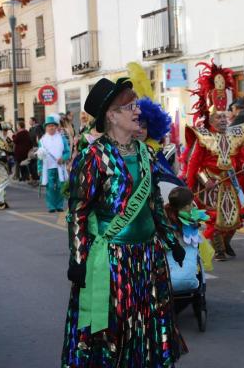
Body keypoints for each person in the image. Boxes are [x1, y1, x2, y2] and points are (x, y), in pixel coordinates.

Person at [62, 77, 185, 367]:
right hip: (113, 261)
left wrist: (170, 240)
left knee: (148, 322)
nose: (137, 111)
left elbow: (153, 203)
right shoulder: (93, 157)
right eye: (129, 106)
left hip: (147, 257)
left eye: (136, 105)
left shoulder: (145, 152)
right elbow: (78, 211)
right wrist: (78, 259)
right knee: (114, 327)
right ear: (111, 115)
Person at [184, 60, 244, 261]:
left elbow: (239, 159)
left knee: (236, 218)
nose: (223, 121)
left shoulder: (235, 134)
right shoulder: (203, 136)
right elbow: (194, 164)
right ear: (211, 120)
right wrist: (206, 181)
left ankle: (226, 242)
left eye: (225, 118)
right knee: (214, 218)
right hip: (212, 183)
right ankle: (215, 249)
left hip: (231, 181)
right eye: (218, 118)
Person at [163, 186, 209, 293]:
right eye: (188, 205)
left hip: (182, 249)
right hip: (176, 249)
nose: (191, 207)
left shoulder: (192, 215)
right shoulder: (167, 219)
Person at [37, 114, 70, 212]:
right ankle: (51, 206)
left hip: (60, 167)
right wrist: (39, 168)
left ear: (56, 127)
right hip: (48, 168)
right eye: (49, 126)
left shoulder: (62, 138)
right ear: (46, 128)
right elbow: (39, 156)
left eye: (53, 125)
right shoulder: (42, 141)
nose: (51, 128)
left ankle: (59, 205)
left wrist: (63, 158)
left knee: (61, 186)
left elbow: (67, 152)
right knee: (50, 187)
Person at [135, 97, 175, 173]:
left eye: (144, 127)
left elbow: (169, 180)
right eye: (136, 125)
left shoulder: (155, 153)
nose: (140, 131)